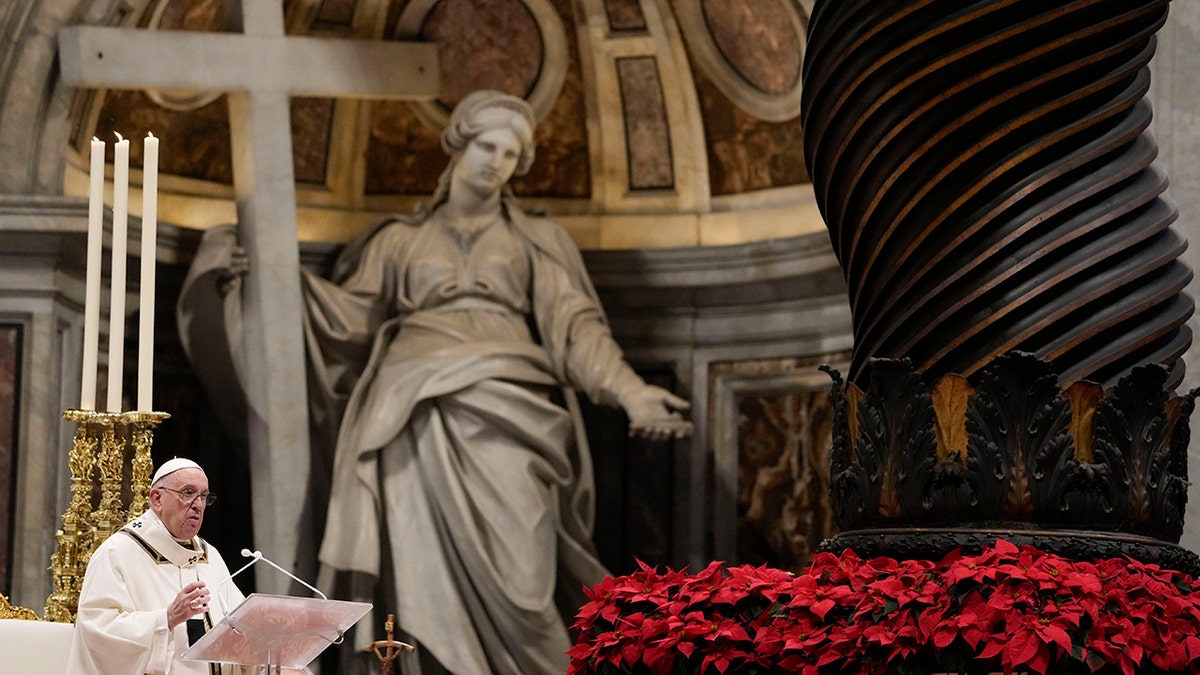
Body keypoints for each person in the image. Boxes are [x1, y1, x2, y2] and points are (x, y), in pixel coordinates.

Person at [178, 89, 691, 674]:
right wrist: (268, 275)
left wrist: (631, 392)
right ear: (459, 145)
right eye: (487, 145)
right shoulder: (398, 240)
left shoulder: (536, 241)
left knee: (526, 583)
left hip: (510, 411)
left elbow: (577, 331)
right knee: (416, 574)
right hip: (407, 411)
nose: (496, 160)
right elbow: (345, 320)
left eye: (511, 152)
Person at [66, 458, 307, 675]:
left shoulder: (209, 555)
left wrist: (274, 665)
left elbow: (241, 630)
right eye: (188, 493)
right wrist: (166, 619)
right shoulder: (117, 553)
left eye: (204, 496)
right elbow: (96, 631)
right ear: (157, 498)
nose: (198, 505)